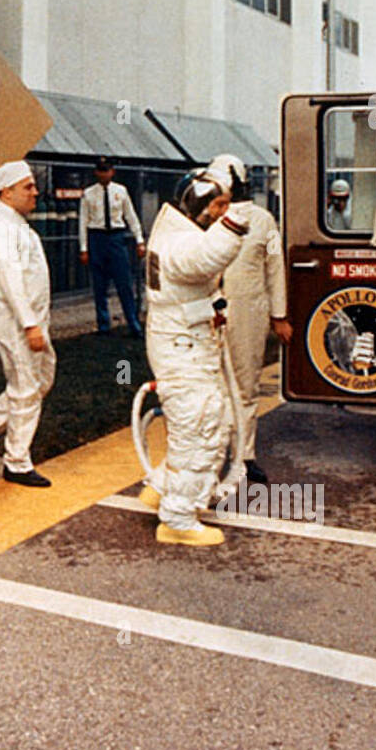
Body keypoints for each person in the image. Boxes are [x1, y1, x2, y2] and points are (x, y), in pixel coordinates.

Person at [140, 163, 251, 546]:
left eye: (226, 204)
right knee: (201, 426)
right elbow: (205, 258)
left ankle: (161, 487)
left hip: (185, 343)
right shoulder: (182, 243)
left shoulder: (176, 231)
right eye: (218, 204)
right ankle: (177, 518)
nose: (222, 211)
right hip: (182, 347)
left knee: (197, 422)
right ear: (200, 205)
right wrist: (238, 219)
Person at [0, 160, 55, 488]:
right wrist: (29, 325)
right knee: (25, 389)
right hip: (17, 322)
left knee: (42, 378)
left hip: (32, 320)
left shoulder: (15, 223)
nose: (35, 192)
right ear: (6, 193)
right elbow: (10, 281)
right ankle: (17, 462)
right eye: (28, 187)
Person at [215, 154, 291, 484]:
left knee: (245, 384)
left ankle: (244, 455)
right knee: (211, 384)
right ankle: (215, 452)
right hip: (211, 311)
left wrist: (279, 315)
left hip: (249, 311)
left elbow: (275, 268)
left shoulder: (264, 221)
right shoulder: (207, 217)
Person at [79, 156, 145, 336]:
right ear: (96, 172)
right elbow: (83, 222)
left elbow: (131, 216)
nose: (103, 174)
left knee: (124, 283)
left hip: (116, 238)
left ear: (112, 172)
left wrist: (139, 240)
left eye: (106, 170)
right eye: (100, 170)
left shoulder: (121, 191)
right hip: (97, 237)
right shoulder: (88, 194)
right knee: (99, 285)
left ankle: (133, 323)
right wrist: (84, 248)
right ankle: (103, 325)